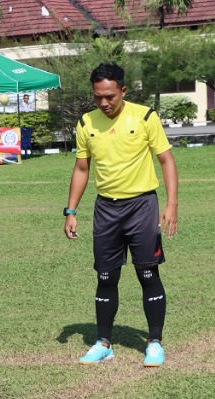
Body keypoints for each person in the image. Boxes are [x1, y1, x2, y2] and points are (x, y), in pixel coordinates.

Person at [64, 62, 179, 367]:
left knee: (147, 274)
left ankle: (154, 343)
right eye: (98, 97)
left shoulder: (144, 116)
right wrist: (71, 210)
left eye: (110, 96)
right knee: (105, 277)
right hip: (106, 210)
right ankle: (103, 343)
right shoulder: (86, 123)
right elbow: (82, 168)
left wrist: (171, 204)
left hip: (142, 207)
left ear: (123, 90)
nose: (104, 103)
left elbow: (166, 160)